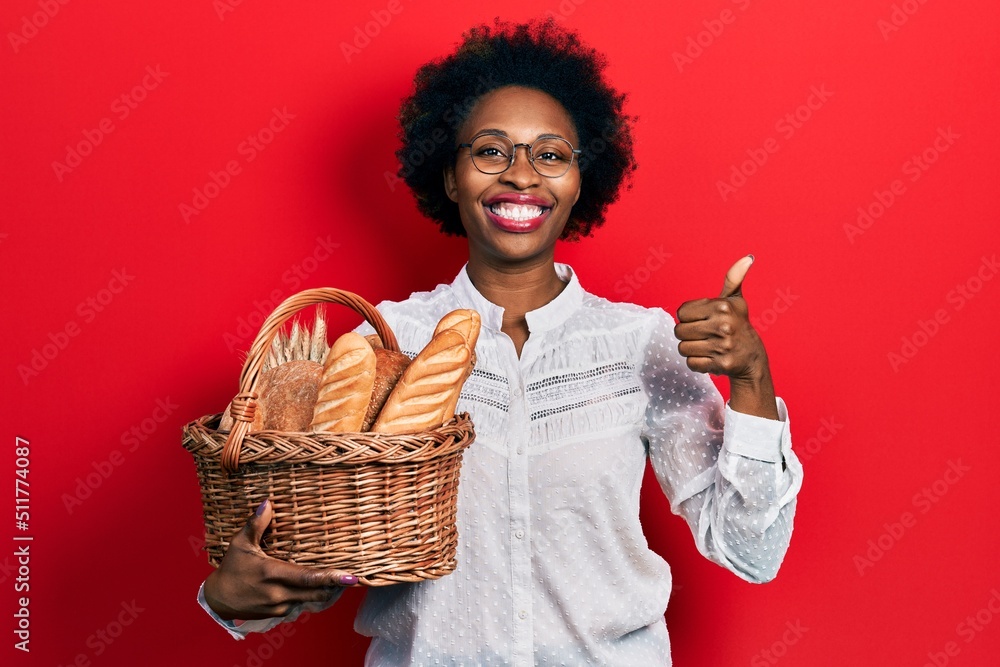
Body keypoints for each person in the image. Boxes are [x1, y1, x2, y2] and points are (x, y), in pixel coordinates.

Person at [199, 18, 803, 666]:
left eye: (550, 153)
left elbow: (750, 548)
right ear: (450, 174)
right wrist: (228, 594)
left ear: (580, 179)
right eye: (491, 150)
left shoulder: (641, 343)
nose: (521, 174)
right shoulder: (386, 340)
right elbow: (313, 546)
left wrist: (752, 379)